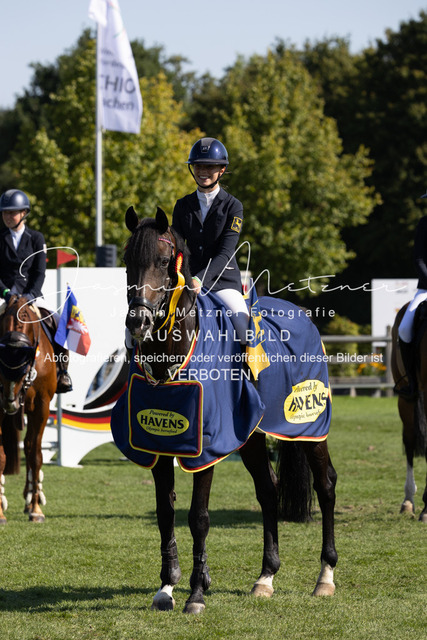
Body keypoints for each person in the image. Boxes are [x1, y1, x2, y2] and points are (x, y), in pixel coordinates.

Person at [172, 137, 249, 344]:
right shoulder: (182, 205)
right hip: (187, 281)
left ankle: (252, 366)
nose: (202, 171)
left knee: (244, 327)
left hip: (223, 283)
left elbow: (226, 253)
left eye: (209, 166)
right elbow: (178, 248)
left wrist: (199, 279)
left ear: (221, 170)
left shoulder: (233, 206)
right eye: (198, 166)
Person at [0, 188, 72, 393]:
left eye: (12, 212)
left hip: (31, 295)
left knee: (58, 322)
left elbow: (39, 272)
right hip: (4, 296)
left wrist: (31, 295)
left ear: (24, 213)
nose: (7, 216)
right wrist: (5, 293)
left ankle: (62, 371)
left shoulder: (36, 238)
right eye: (5, 213)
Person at [396, 190, 427, 397]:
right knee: (405, 328)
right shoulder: (424, 224)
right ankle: (413, 382)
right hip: (426, 289)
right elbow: (419, 259)